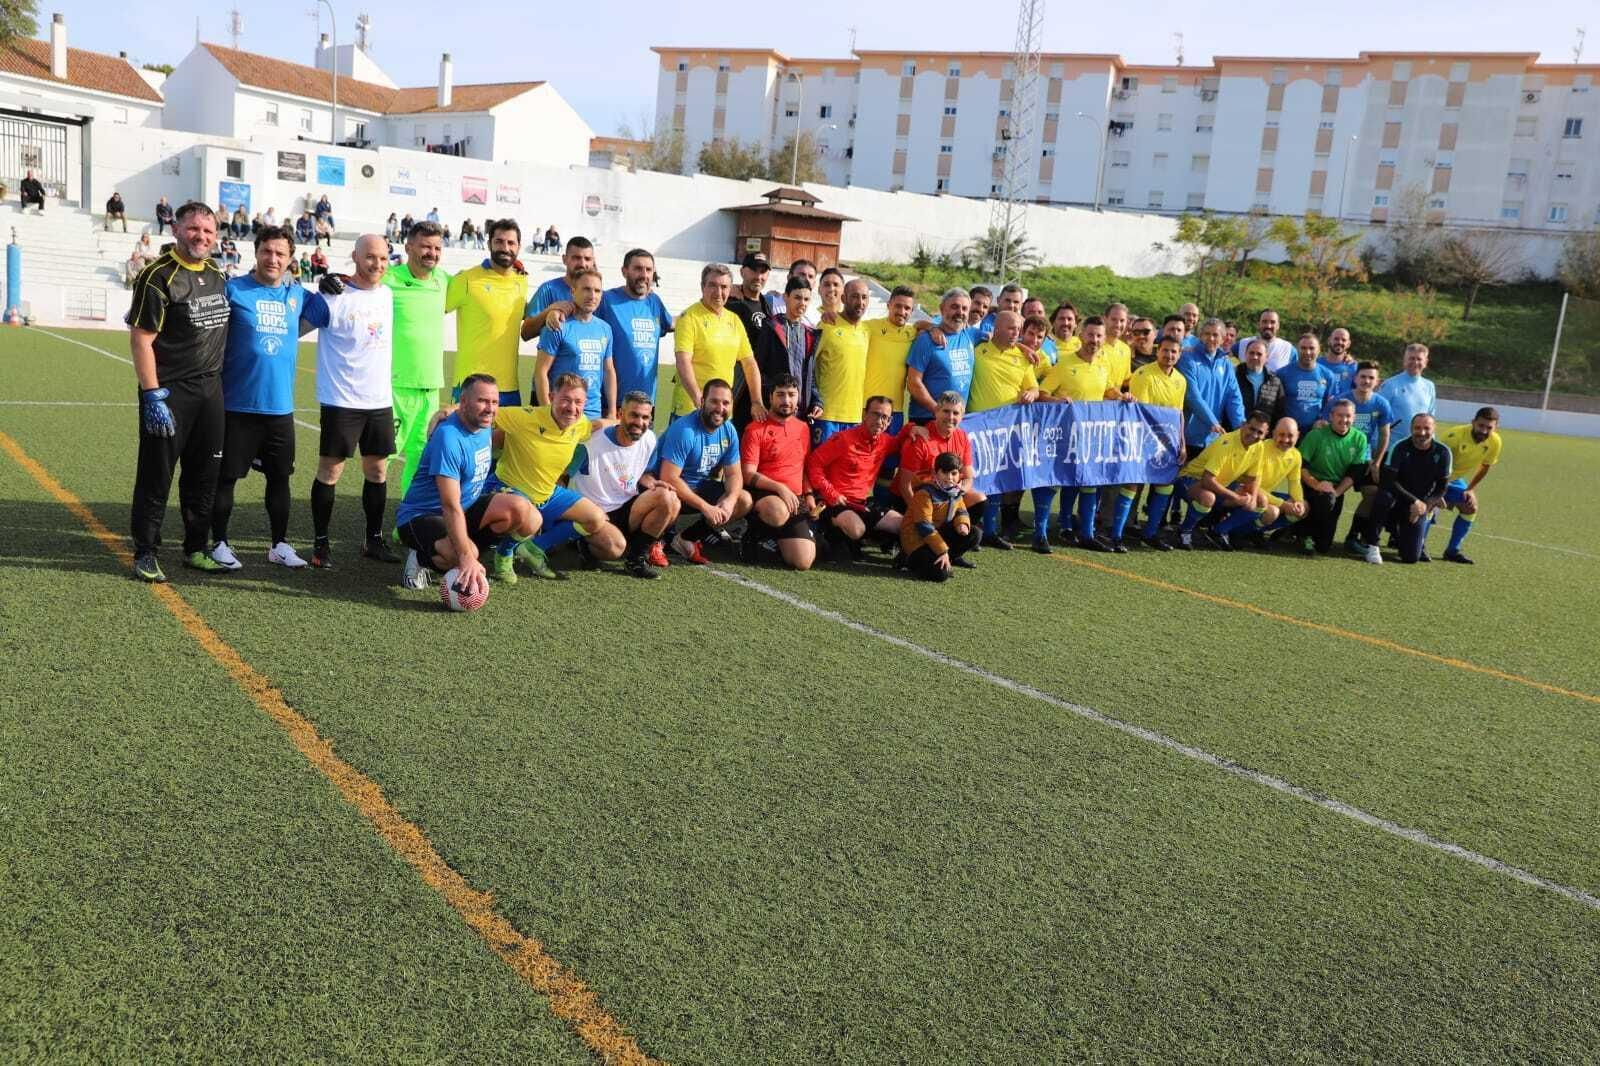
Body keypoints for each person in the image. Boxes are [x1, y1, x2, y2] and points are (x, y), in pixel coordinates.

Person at [209, 224, 328, 571]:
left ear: (291, 259)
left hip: (279, 408)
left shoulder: (297, 295)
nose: (272, 258)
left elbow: (323, 312)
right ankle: (219, 542)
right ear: (256, 252)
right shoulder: (233, 290)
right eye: (267, 251)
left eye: (280, 254)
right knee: (226, 478)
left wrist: (339, 283)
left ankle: (279, 545)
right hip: (237, 406)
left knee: (280, 479)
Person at [125, 202, 231, 582]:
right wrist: (152, 395)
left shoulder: (217, 273)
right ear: (176, 230)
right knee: (157, 475)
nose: (201, 236)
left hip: (210, 392)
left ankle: (195, 548)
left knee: (204, 475)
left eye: (208, 230)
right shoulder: (157, 276)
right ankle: (146, 551)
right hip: (169, 394)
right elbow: (141, 339)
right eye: (193, 229)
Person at [395, 374, 537, 595]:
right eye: (482, 401)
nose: (490, 408)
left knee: (524, 511)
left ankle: (466, 551)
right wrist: (466, 556)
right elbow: (449, 505)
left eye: (494, 402)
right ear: (464, 402)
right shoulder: (448, 438)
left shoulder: (483, 421)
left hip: (464, 509)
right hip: (423, 515)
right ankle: (420, 558)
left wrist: (447, 409)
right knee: (462, 555)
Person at [309, 235, 398, 569]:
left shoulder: (388, 294)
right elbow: (298, 325)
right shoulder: (333, 295)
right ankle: (320, 543)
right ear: (355, 256)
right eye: (370, 257)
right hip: (341, 399)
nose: (377, 264)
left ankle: (373, 540)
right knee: (331, 471)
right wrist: (321, 285)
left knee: (377, 470)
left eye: (383, 258)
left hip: (378, 400)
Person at [489, 373, 626, 581]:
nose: (572, 408)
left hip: (547, 493)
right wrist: (448, 411)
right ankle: (504, 553)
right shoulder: (525, 417)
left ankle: (534, 548)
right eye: (566, 400)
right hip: (510, 489)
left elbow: (595, 426)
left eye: (578, 402)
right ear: (551, 397)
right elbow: (485, 411)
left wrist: (617, 421)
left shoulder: (580, 424)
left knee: (595, 518)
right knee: (529, 518)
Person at [568, 390, 678, 578]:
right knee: (615, 549)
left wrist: (653, 483)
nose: (640, 422)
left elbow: (643, 474)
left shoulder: (649, 440)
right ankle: (584, 543)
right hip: (594, 512)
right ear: (620, 414)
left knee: (670, 499)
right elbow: (561, 477)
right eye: (634, 415)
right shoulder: (591, 442)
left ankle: (635, 560)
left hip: (626, 505)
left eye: (645, 417)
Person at [377, 220, 450, 498]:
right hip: (396, 385)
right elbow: (356, 286)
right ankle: (374, 519)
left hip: (431, 388)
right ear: (408, 248)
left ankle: (410, 515)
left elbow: (474, 287)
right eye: (425, 247)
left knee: (421, 460)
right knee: (383, 458)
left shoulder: (443, 280)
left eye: (437, 248)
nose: (432, 253)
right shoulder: (388, 279)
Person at [652, 379, 752, 564]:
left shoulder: (729, 431)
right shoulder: (685, 430)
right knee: (668, 496)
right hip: (666, 490)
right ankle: (653, 541)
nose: (720, 408)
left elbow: (734, 474)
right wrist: (706, 507)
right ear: (702, 401)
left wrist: (730, 501)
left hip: (697, 487)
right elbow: (669, 477)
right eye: (714, 401)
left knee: (743, 499)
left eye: (725, 403)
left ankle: (686, 538)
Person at [1036, 315, 1111, 546]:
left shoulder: (1103, 365)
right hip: (1063, 435)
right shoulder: (1065, 364)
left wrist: (1123, 396)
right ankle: (1046, 532)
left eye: (1099, 336)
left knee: (1088, 481)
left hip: (1090, 436)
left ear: (1104, 339)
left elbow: (1107, 390)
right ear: (1081, 335)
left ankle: (1086, 534)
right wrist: (1057, 401)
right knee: (1056, 480)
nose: (1094, 340)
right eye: (1090, 335)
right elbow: (1042, 394)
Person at [966, 309, 1039, 547]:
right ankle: (969, 527)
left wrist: (1031, 393)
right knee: (973, 477)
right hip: (976, 427)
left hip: (1006, 430)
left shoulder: (1023, 358)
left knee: (997, 478)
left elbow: (1034, 388)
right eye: (1011, 328)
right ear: (996, 328)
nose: (1016, 333)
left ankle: (990, 530)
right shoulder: (977, 349)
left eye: (1018, 329)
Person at [804, 396, 905, 560]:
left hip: (862, 504)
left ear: (889, 421)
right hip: (834, 502)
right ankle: (827, 526)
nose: (879, 421)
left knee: (903, 524)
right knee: (857, 529)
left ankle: (869, 540)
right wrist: (831, 493)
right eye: (875, 414)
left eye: (884, 417)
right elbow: (813, 463)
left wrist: (913, 429)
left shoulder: (885, 442)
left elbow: (902, 442)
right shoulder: (843, 439)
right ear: (865, 414)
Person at [894, 391, 985, 569]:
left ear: (962, 416)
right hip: (916, 499)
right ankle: (911, 550)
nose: (950, 417)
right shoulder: (921, 438)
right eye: (946, 411)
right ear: (936, 411)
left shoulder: (962, 437)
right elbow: (904, 485)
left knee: (979, 499)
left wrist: (958, 494)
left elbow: (968, 477)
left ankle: (952, 553)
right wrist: (918, 511)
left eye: (956, 413)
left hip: (942, 499)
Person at [1114, 334, 1188, 552]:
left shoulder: (1181, 380)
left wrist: (1182, 444)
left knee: (1165, 485)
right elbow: (1141, 413)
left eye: (1174, 351)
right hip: (1142, 438)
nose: (1169, 355)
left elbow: (1179, 414)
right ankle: (1116, 535)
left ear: (1179, 355)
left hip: (1167, 442)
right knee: (1132, 483)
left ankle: (1150, 533)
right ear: (1157, 351)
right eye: (1165, 350)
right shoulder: (1143, 374)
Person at [446, 218, 529, 406]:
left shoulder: (521, 282)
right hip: (471, 386)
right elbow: (435, 309)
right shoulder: (466, 279)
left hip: (509, 388)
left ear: (518, 247)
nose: (505, 248)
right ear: (489, 243)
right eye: (499, 241)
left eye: (511, 243)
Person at [740, 375, 817, 570]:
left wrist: (808, 494)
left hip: (795, 498)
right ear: (770, 397)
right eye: (780, 394)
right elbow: (748, 474)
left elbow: (804, 467)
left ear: (798, 397)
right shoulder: (755, 429)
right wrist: (780, 488)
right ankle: (751, 534)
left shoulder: (803, 428)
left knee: (803, 562)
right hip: (766, 493)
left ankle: (773, 538)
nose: (786, 400)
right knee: (777, 512)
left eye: (791, 395)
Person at [672, 264, 763, 421]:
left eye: (724, 287)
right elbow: (683, 361)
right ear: (702, 287)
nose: (718, 292)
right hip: (691, 410)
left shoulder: (734, 320)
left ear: (730, 289)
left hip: (722, 412)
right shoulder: (689, 318)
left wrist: (756, 401)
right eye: (712, 285)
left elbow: (749, 363)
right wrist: (698, 399)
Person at [1172, 411, 1271, 550]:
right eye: (1252, 429)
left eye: (1260, 432)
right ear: (1243, 425)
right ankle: (1184, 531)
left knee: (1261, 501)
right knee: (1208, 498)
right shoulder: (1227, 443)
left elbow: (1252, 478)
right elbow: (1207, 480)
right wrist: (1236, 497)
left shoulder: (1259, 446)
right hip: (1189, 479)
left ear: (1266, 434)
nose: (1254, 435)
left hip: (1219, 485)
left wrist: (1253, 498)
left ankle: (1219, 531)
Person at [1365, 414, 1452, 565]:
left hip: (1418, 506)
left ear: (1434, 429)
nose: (1422, 432)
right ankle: (1372, 545)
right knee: (1383, 497)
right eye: (1417, 428)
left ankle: (1400, 535)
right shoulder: (1399, 447)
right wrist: (1414, 501)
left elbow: (1441, 487)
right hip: (1397, 499)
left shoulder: (1443, 452)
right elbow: (1389, 481)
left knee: (1411, 557)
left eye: (1426, 428)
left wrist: (1424, 505)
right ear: (1411, 429)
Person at [595, 247, 674, 408]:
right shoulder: (607, 300)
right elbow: (581, 315)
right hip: (613, 403)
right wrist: (557, 310)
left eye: (648, 270)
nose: (644, 275)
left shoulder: (654, 302)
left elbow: (672, 323)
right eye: (638, 269)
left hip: (646, 403)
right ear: (624, 271)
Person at [1212, 417, 1307, 549]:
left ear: (1298, 435)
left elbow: (1295, 482)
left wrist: (1298, 502)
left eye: (1290, 436)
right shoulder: (1262, 449)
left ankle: (1252, 532)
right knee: (1272, 511)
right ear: (1273, 434)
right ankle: (1226, 530)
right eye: (1281, 435)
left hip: (1264, 494)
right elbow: (1254, 486)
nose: (1285, 440)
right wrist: (1283, 504)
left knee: (1304, 508)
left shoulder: (1296, 455)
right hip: (1242, 490)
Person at [535, 268, 615, 418]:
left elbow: (609, 370)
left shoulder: (605, 329)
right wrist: (548, 412)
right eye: (586, 289)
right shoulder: (558, 325)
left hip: (594, 415)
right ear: (573, 291)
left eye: (597, 291)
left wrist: (611, 412)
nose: (592, 296)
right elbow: (541, 372)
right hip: (564, 413)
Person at [1294, 398, 1369, 555]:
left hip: (1335, 490)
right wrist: (1317, 485)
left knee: (1323, 547)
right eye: (1339, 415)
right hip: (1311, 485)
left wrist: (1336, 493)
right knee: (1324, 501)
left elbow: (1354, 473)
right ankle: (1304, 535)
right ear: (1331, 416)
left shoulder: (1360, 438)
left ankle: (1294, 529)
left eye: (1348, 416)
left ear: (1354, 418)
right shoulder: (1316, 435)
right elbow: (1300, 466)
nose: (1344, 420)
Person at [1432, 407, 1502, 565]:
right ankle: (1418, 545)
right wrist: (1437, 493)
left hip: (1455, 479)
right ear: (1473, 422)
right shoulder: (1454, 436)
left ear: (1495, 428)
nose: (1484, 431)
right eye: (1481, 425)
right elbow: (1433, 464)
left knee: (1470, 507)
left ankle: (1452, 551)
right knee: (1430, 506)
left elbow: (1485, 466)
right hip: (1433, 477)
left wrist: (1470, 489)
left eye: (1489, 427)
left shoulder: (1495, 442)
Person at [1338, 360, 1395, 554]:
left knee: (1372, 493)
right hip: (1339, 457)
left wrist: (1376, 462)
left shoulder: (1381, 403)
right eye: (1363, 376)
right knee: (1329, 495)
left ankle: (1353, 536)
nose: (1366, 381)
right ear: (1355, 378)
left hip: (1364, 458)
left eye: (1371, 377)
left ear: (1377, 382)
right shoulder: (1342, 400)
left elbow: (1385, 435)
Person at [750, 275, 819, 429]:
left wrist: (816, 401)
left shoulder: (810, 334)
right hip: (774, 410)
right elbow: (758, 369)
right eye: (797, 297)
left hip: (801, 413)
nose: (802, 303)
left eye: (806, 299)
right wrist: (769, 399)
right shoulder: (771, 328)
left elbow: (810, 375)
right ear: (786, 297)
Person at [811, 277, 873, 445]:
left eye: (864, 297)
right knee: (821, 460)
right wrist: (814, 400)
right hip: (826, 414)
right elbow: (808, 365)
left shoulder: (867, 330)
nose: (860, 302)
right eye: (855, 296)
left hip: (855, 417)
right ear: (844, 298)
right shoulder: (827, 325)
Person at [899, 451, 978, 581]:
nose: (949, 477)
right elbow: (924, 526)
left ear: (960, 475)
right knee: (941, 575)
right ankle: (907, 559)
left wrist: (962, 523)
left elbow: (961, 510)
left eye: (954, 473)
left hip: (936, 534)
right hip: (917, 540)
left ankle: (946, 559)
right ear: (935, 474)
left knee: (974, 533)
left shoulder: (955, 491)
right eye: (944, 473)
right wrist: (942, 551)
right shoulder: (925, 493)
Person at [1178, 317, 1247, 461]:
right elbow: (1193, 396)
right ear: (1200, 336)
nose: (1210, 338)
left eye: (1215, 335)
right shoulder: (1187, 358)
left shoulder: (1225, 363)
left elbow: (1233, 397)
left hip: (1213, 438)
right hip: (1189, 436)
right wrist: (1212, 422)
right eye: (1207, 334)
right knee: (1182, 475)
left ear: (1223, 339)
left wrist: (1241, 428)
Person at [905, 289, 976, 423]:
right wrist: (937, 410)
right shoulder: (926, 340)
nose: (960, 312)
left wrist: (1020, 346)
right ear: (942, 309)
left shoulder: (970, 335)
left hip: (956, 419)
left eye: (964, 308)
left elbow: (999, 337)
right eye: (954, 307)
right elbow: (913, 383)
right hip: (927, 418)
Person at [861, 286, 919, 433]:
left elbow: (925, 327)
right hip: (868, 408)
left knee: (891, 448)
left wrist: (932, 328)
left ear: (912, 311)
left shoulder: (912, 333)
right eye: (898, 306)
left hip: (895, 411)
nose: (902, 311)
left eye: (907, 308)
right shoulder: (870, 327)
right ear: (888, 305)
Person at [521, 236, 597, 335]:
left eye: (587, 259)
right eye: (576, 258)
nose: (582, 264)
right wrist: (548, 312)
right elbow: (525, 333)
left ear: (593, 261)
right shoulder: (548, 289)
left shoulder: (597, 295)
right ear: (564, 259)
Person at [1377, 343, 1436, 456]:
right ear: (1404, 360)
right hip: (1392, 449)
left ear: (1425, 362)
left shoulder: (1429, 386)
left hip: (1419, 449)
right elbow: (1377, 417)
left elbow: (1431, 419)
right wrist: (1376, 447)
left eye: (1419, 359)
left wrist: (1432, 445)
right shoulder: (1390, 385)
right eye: (1411, 358)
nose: (1415, 362)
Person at [1276, 332, 1337, 433]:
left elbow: (1330, 404)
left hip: (1316, 431)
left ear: (1319, 350)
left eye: (1312, 348)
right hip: (1288, 431)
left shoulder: (1328, 375)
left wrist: (1323, 419)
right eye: (1303, 348)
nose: (1307, 352)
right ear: (1297, 349)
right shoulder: (1282, 373)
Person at [1235, 338, 1287, 426]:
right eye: (1251, 353)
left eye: (1259, 354)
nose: (1254, 357)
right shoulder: (1234, 376)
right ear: (1245, 354)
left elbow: (1279, 411)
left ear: (1266, 357)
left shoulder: (1275, 381)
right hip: (1236, 428)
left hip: (1262, 431)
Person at [725, 251, 771, 348]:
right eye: (754, 270)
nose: (758, 277)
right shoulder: (729, 303)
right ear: (742, 272)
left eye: (763, 272)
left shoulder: (768, 305)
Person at [761, 258, 819, 323]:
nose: (806, 279)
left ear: (814, 283)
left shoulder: (815, 315)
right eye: (802, 274)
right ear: (789, 277)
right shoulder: (769, 302)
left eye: (810, 276)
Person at [1099, 303, 1133, 395]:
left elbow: (1126, 380)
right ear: (1105, 319)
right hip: (1094, 401)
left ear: (1127, 322)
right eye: (1114, 319)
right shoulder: (1094, 346)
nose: (1118, 324)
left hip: (1116, 402)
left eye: (1122, 320)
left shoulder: (1126, 349)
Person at [1319, 327, 1358, 397]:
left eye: (1344, 340)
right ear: (1329, 340)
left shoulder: (1353, 366)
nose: (1340, 342)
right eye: (1336, 339)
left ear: (1348, 344)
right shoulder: (1317, 364)